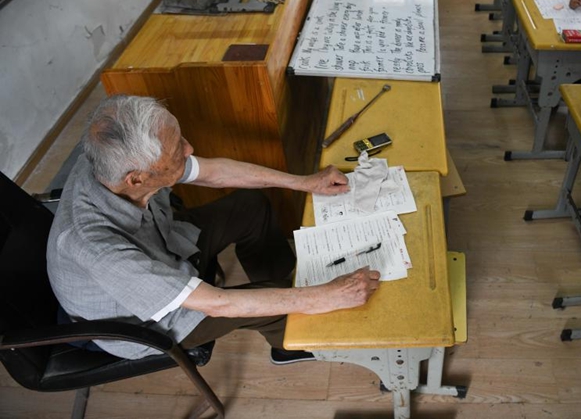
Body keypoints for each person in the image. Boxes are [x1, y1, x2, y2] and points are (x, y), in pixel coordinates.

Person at [47, 95, 381, 362]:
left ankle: (295, 283)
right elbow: (218, 303)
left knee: (251, 207)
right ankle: (290, 346)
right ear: (137, 178)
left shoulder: (112, 159)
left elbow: (214, 171)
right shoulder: (96, 248)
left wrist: (304, 183)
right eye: (178, 150)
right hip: (144, 322)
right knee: (271, 301)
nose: (190, 149)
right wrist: (324, 296)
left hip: (164, 245)